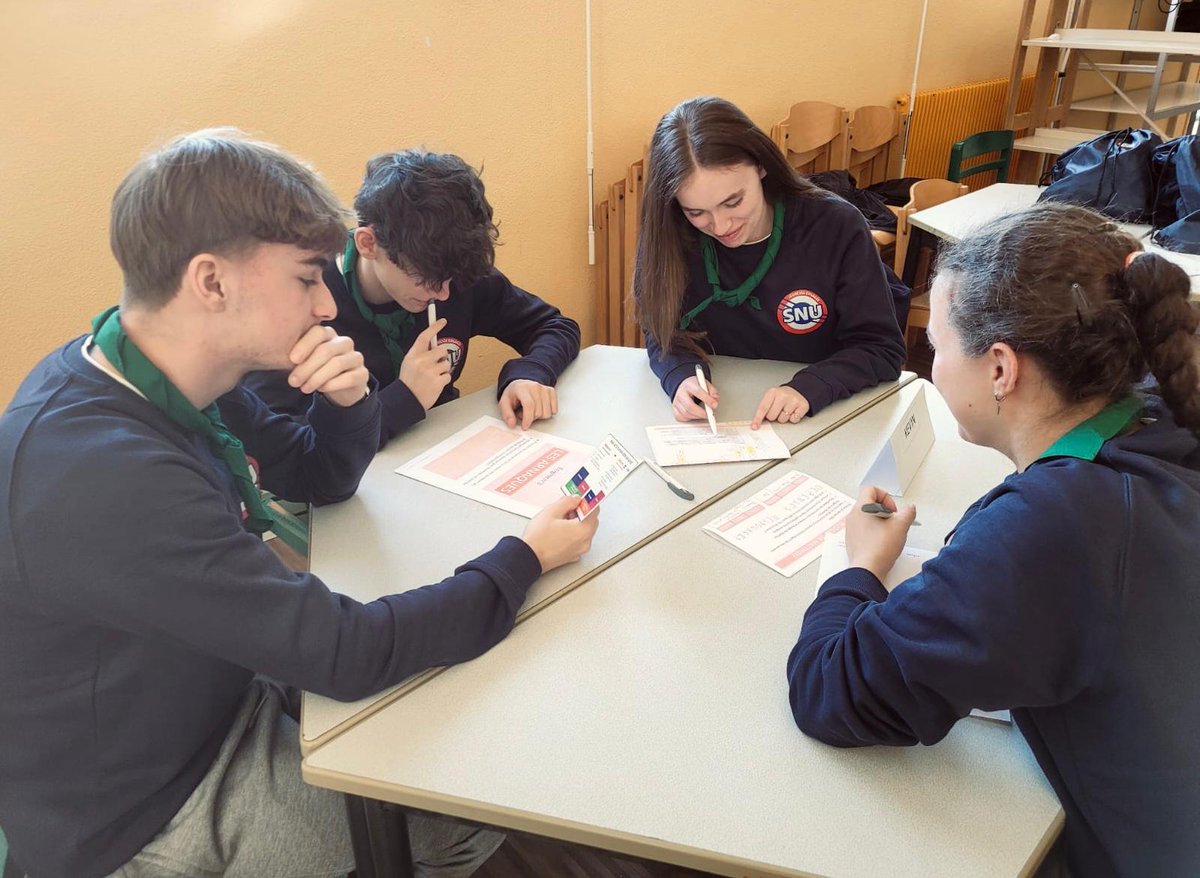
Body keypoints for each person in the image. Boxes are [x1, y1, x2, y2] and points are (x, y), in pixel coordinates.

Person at [0, 130, 599, 878]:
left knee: (440, 692)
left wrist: (353, 403)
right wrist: (524, 556)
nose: (326, 303)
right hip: (147, 806)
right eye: (308, 278)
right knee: (467, 810)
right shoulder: (103, 475)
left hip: (211, 684)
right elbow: (342, 654)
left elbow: (318, 476)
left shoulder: (147, 369)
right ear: (212, 283)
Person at [787, 203, 1200, 878]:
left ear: (1001, 368)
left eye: (939, 346)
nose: (932, 365)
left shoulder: (1055, 524)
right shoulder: (1165, 416)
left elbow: (830, 690)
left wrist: (860, 566)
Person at [242, 149, 581, 446]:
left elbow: (554, 326)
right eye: (424, 279)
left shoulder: (453, 270)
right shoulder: (302, 301)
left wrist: (530, 372)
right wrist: (404, 399)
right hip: (350, 489)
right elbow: (281, 442)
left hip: (444, 458)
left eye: (450, 281)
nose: (443, 293)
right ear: (368, 244)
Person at [632, 96, 907, 428]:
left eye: (733, 202)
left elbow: (881, 348)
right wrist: (680, 376)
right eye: (697, 212)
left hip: (821, 415)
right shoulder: (671, 232)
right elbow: (661, 329)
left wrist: (810, 387)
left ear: (761, 165)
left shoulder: (835, 225)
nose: (720, 227)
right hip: (727, 415)